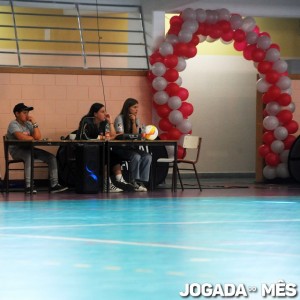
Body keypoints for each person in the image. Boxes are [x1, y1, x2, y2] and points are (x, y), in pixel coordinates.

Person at [6, 103, 68, 194]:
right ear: (17, 113)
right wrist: (31, 138)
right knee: (29, 156)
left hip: (30, 149)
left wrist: (34, 123)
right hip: (17, 151)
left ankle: (54, 185)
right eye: (24, 112)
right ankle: (28, 186)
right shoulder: (13, 124)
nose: (27, 115)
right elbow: (22, 138)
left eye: (27, 112)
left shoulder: (28, 124)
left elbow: (38, 137)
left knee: (51, 158)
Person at [76, 102, 134, 192]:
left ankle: (120, 180)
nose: (105, 114)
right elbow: (85, 137)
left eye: (105, 111)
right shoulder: (86, 120)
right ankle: (107, 184)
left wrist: (110, 121)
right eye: (102, 112)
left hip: (99, 149)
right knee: (105, 158)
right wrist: (104, 137)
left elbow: (113, 135)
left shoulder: (103, 123)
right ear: (95, 114)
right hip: (86, 151)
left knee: (114, 156)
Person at [114, 98, 152, 192]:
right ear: (128, 108)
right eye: (134, 107)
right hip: (121, 148)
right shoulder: (120, 118)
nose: (136, 109)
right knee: (136, 156)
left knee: (147, 156)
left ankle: (141, 181)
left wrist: (133, 122)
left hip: (131, 148)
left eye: (137, 107)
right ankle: (133, 181)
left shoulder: (136, 120)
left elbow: (135, 135)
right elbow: (121, 134)